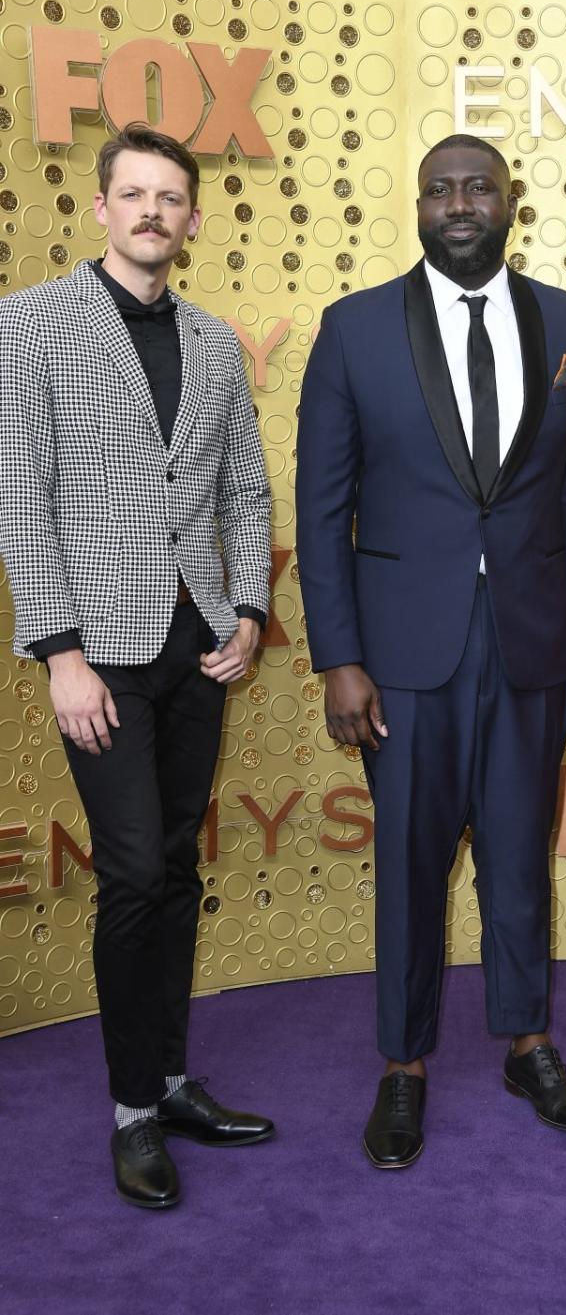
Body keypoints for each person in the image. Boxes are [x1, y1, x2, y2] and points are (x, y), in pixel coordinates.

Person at [296, 134, 566, 1168]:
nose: (458, 202)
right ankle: (404, 1065)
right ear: (419, 207)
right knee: (408, 863)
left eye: (476, 185)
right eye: (438, 188)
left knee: (522, 855)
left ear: (510, 200)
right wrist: (338, 655)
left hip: (530, 637)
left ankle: (529, 1043)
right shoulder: (352, 330)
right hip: (401, 651)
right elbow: (321, 506)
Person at [0, 125, 275, 1207]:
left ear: (193, 221)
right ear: (102, 209)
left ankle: (168, 1078)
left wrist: (247, 604)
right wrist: (60, 654)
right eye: (134, 194)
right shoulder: (29, 325)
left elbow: (243, 490)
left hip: (197, 646)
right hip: (98, 657)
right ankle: (130, 1109)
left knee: (175, 860)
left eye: (171, 197)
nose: (153, 211)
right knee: (131, 873)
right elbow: (23, 500)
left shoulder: (213, 342)